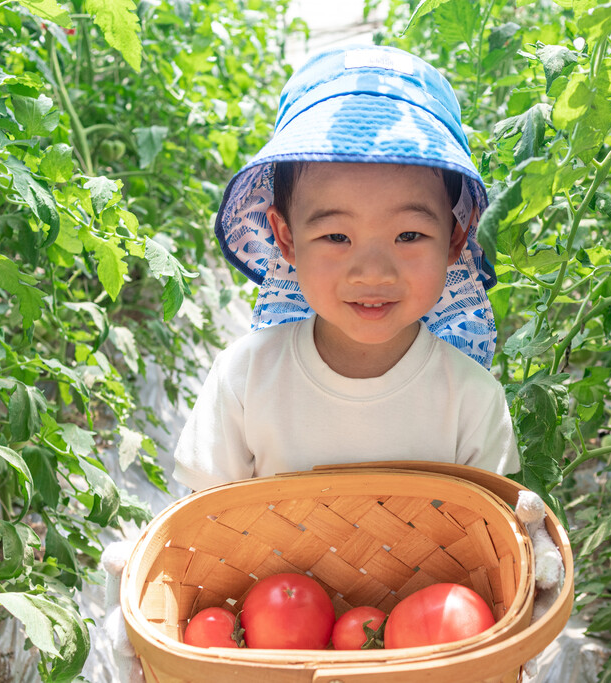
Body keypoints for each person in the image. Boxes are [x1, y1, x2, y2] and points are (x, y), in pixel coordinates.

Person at [172, 44, 520, 491]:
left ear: (455, 237)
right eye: (337, 237)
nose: (373, 273)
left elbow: (488, 533)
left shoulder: (471, 399)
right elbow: (204, 521)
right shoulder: (243, 380)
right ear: (286, 238)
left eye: (408, 236)